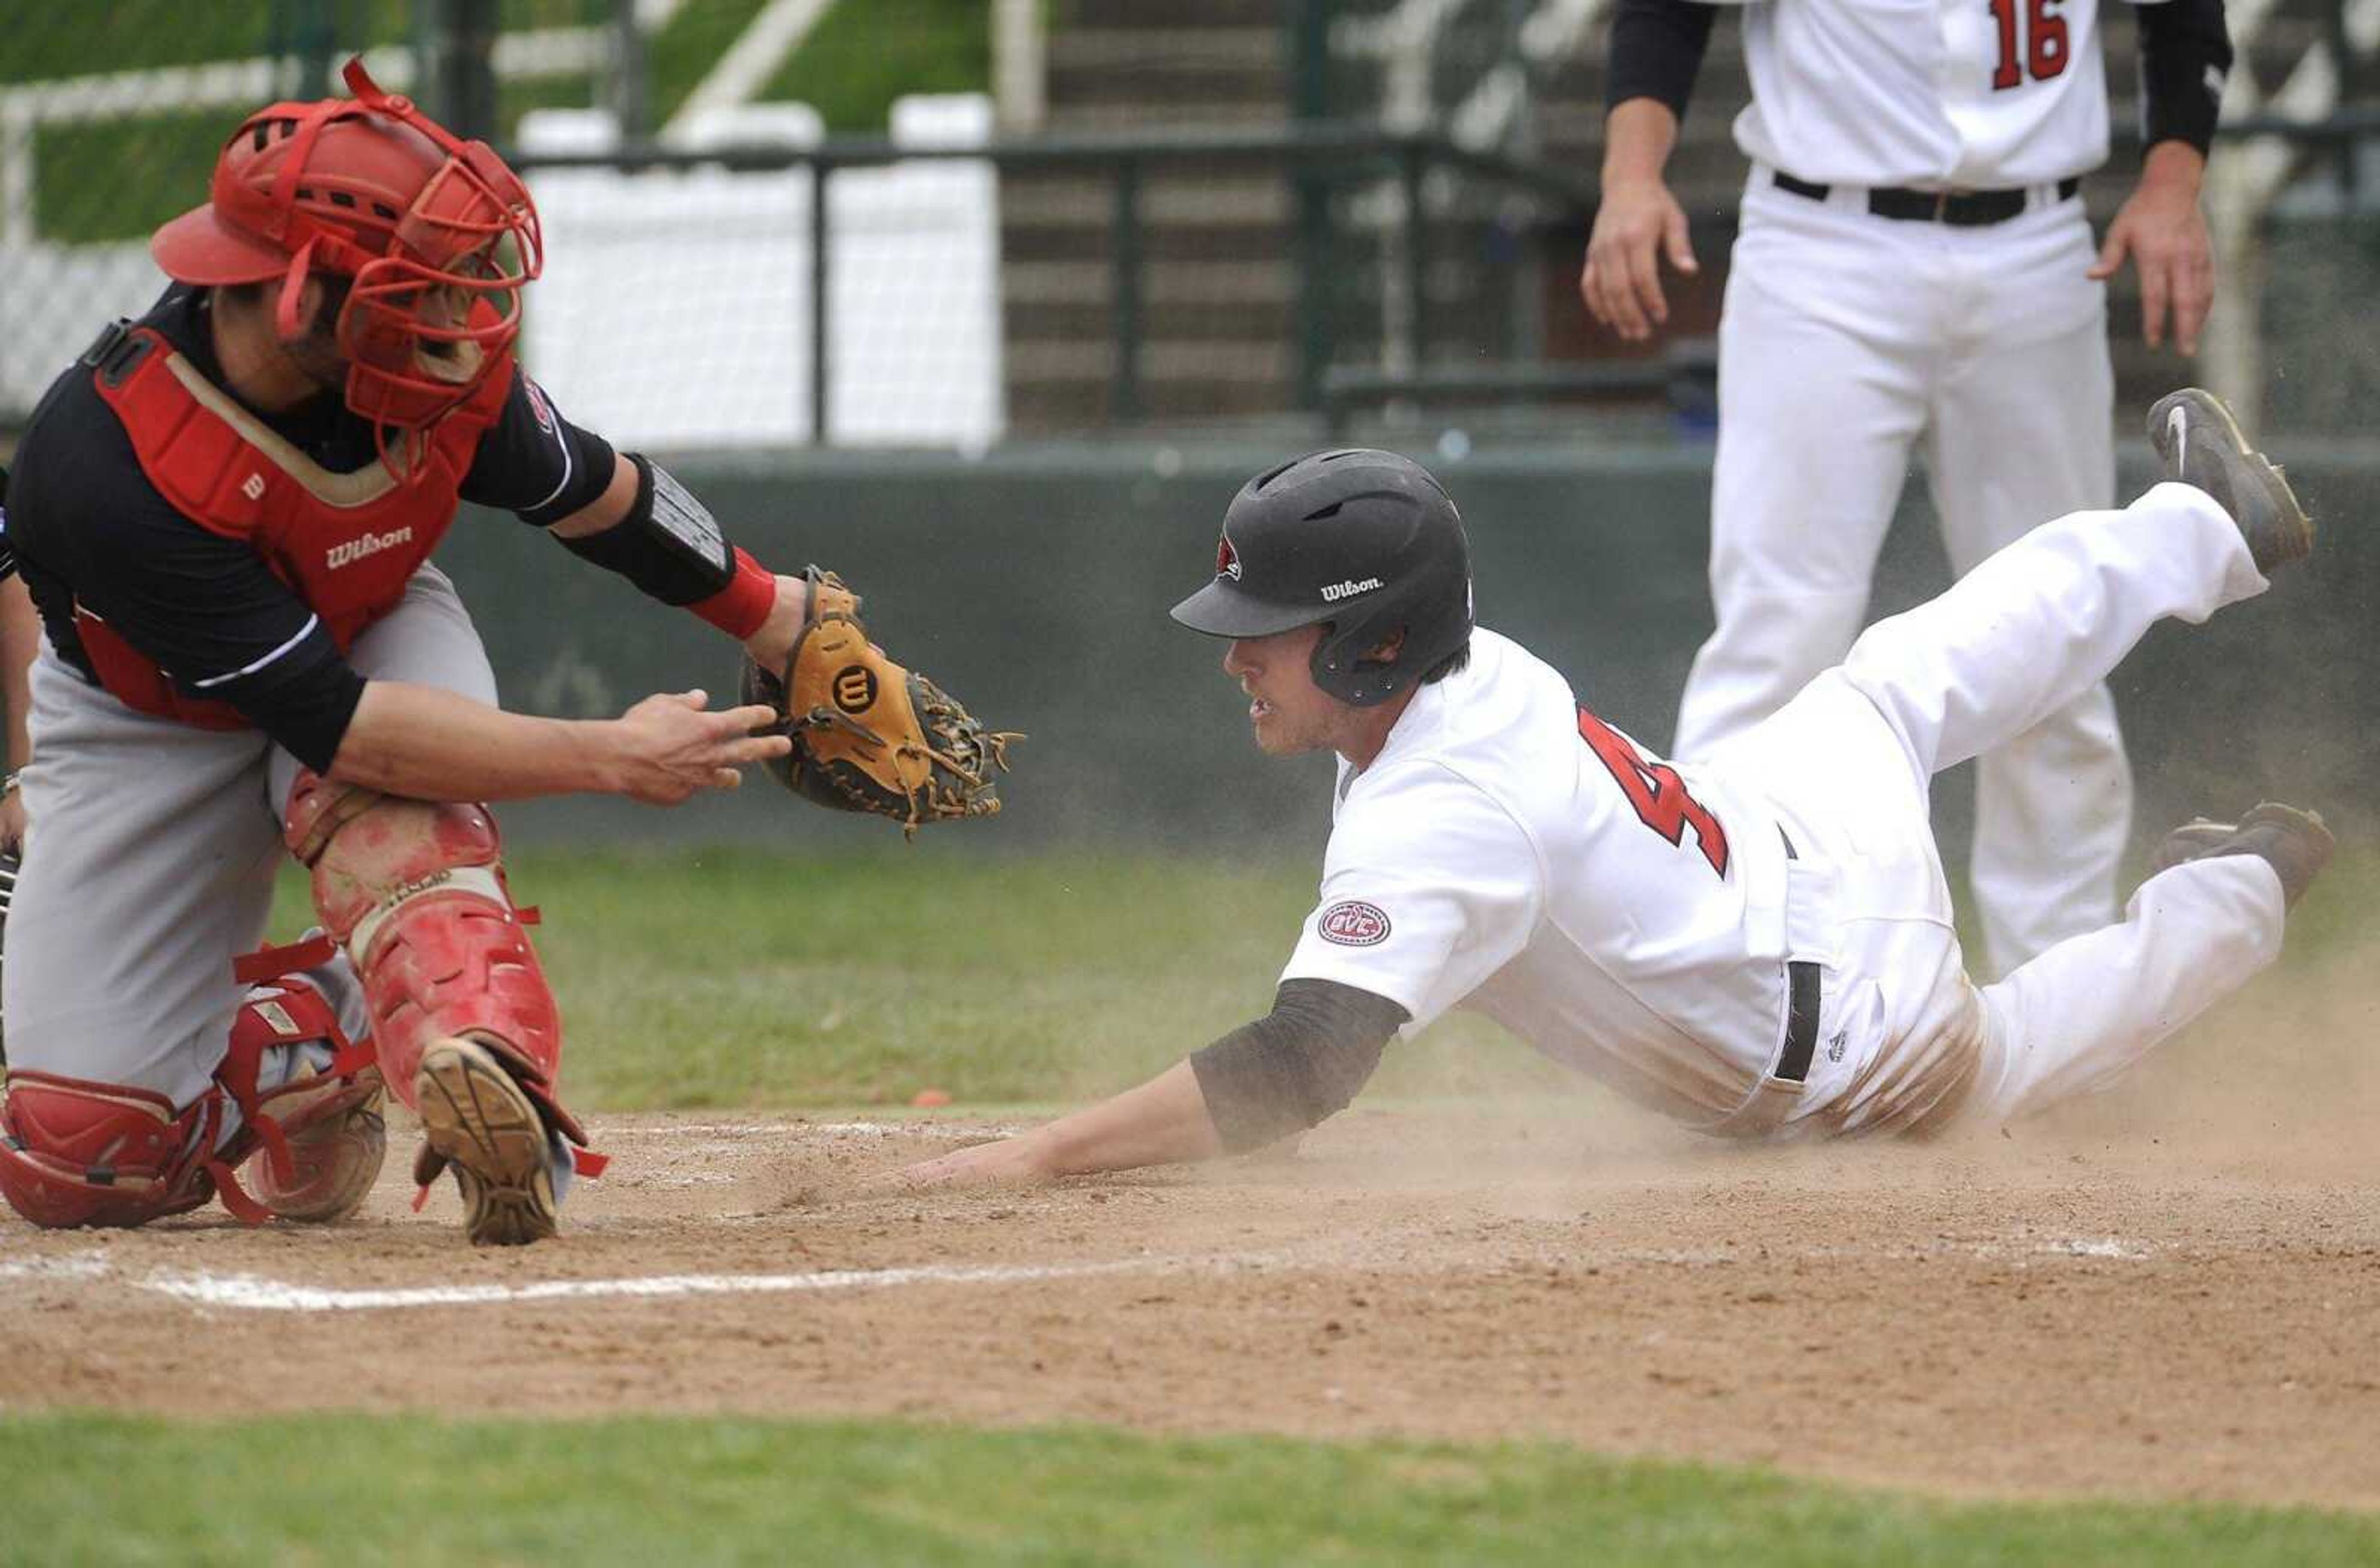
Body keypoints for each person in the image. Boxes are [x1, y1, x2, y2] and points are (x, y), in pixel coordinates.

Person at [893, 400, 2326, 1187]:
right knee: (1896, 686)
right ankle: (2207, 537)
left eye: (1263, 629)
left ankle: (2243, 896)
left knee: (1986, 1060)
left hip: (1844, 1028)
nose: (1237, 657)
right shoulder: (1467, 665)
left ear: (1371, 638)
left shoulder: (1441, 803)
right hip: (1777, 842)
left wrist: (1036, 1154)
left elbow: (1302, 1066)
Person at [0, 61, 808, 1245]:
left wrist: (776, 614)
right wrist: (611, 753)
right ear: (296, 295)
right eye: (406, 288)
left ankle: (477, 1056)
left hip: (371, 611)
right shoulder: (109, 458)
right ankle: (308, 1048)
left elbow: (599, 493)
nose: (451, 319)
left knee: (392, 829)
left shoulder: (423, 375)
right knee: (76, 1163)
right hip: (146, 716)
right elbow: (340, 721)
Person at [1580, 0, 2235, 978]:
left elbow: (2185, 13)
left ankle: (2062, 989)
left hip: (2038, 245)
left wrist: (2175, 181)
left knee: (2059, 635)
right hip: (1821, 245)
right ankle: (1725, 976)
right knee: (1780, 634)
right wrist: (1631, 176)